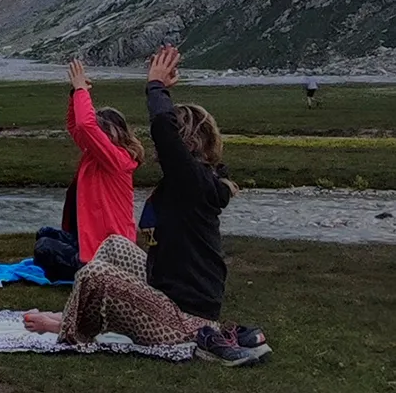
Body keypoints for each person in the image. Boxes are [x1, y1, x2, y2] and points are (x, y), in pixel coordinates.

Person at [25, 46, 267, 364]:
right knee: (111, 247)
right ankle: (70, 317)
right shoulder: (189, 182)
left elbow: (163, 129)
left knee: (93, 273)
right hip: (169, 296)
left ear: (185, 144)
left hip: (181, 322)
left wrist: (156, 86)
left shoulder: (189, 181)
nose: (158, 143)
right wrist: (77, 93)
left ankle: (67, 333)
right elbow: (82, 132)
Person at [62, 57, 143, 262]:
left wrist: (81, 90)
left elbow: (85, 126)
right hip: (101, 246)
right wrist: (75, 94)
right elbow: (76, 128)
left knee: (48, 248)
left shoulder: (115, 159)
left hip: (110, 250)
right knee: (46, 239)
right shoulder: (98, 155)